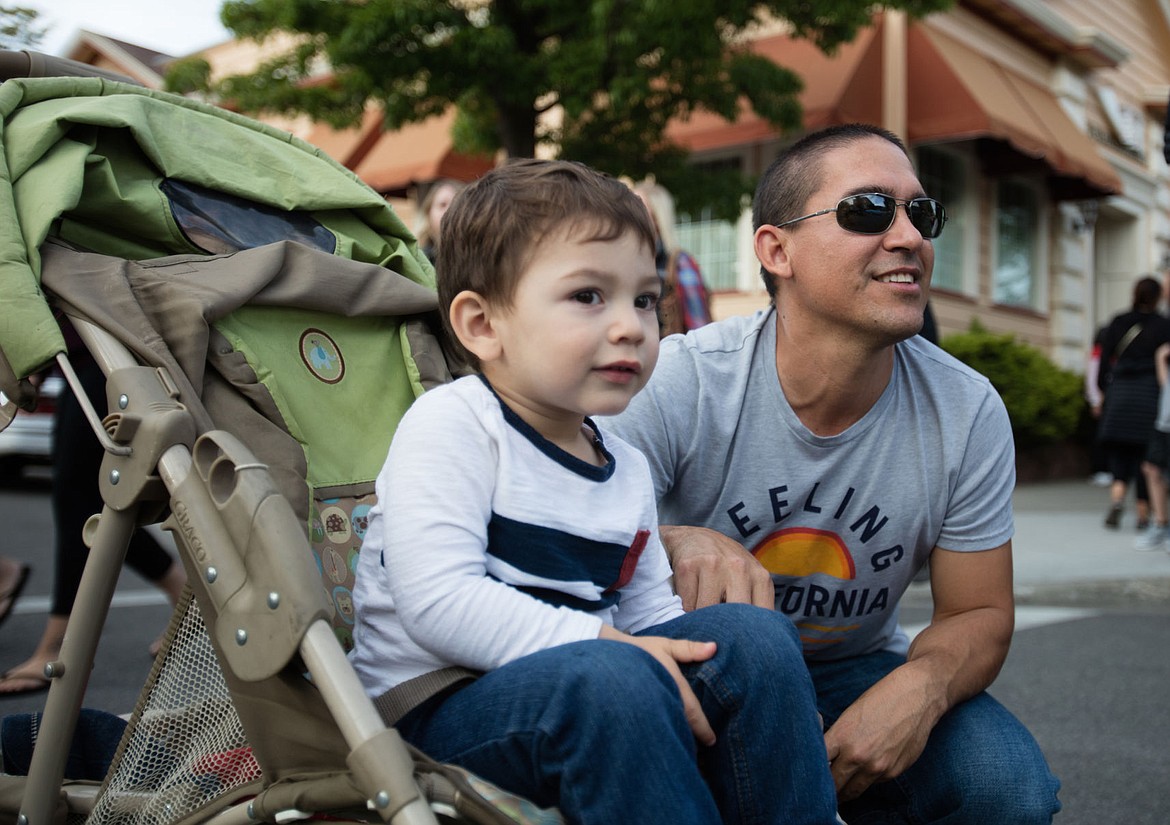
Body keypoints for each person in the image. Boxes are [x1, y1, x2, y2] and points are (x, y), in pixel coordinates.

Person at [349, 158, 840, 824]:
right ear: (482, 324)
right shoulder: (455, 424)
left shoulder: (626, 467)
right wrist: (614, 647)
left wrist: (743, 693)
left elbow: (649, 616)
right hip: (440, 707)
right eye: (588, 296)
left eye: (644, 298)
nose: (631, 326)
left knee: (753, 641)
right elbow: (438, 600)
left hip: (590, 683)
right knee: (617, 679)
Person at [604, 123, 1061, 823]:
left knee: (1007, 786)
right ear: (775, 249)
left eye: (923, 212)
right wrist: (672, 537)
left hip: (854, 667)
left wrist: (923, 687)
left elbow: (978, 612)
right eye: (868, 211)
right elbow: (568, 537)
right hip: (700, 660)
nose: (909, 236)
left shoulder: (966, 410)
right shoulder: (681, 380)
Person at [0, 348, 186, 696]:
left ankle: (59, 647)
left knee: (79, 497)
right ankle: (186, 598)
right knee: (95, 504)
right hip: (81, 352)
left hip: (107, 348)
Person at [1094, 276, 1170, 529]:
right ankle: (1142, 514)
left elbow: (1104, 362)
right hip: (1149, 396)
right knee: (1144, 458)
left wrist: (1106, 390)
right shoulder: (1164, 326)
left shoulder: (1118, 321)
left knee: (1119, 455)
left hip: (1120, 395)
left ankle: (1116, 501)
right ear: (1158, 296)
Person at [632, 179, 713, 336]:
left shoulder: (680, 263)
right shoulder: (626, 261)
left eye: (639, 207)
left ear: (657, 218)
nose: (629, 213)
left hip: (668, 356)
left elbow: (700, 328)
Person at [1136, 340, 1170, 550]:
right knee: (1152, 469)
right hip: (1163, 424)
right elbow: (1164, 384)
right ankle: (1160, 525)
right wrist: (1160, 357)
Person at [413, 178, 466, 264]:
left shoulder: (476, 257)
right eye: (443, 205)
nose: (449, 210)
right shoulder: (419, 260)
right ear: (428, 212)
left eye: (456, 204)